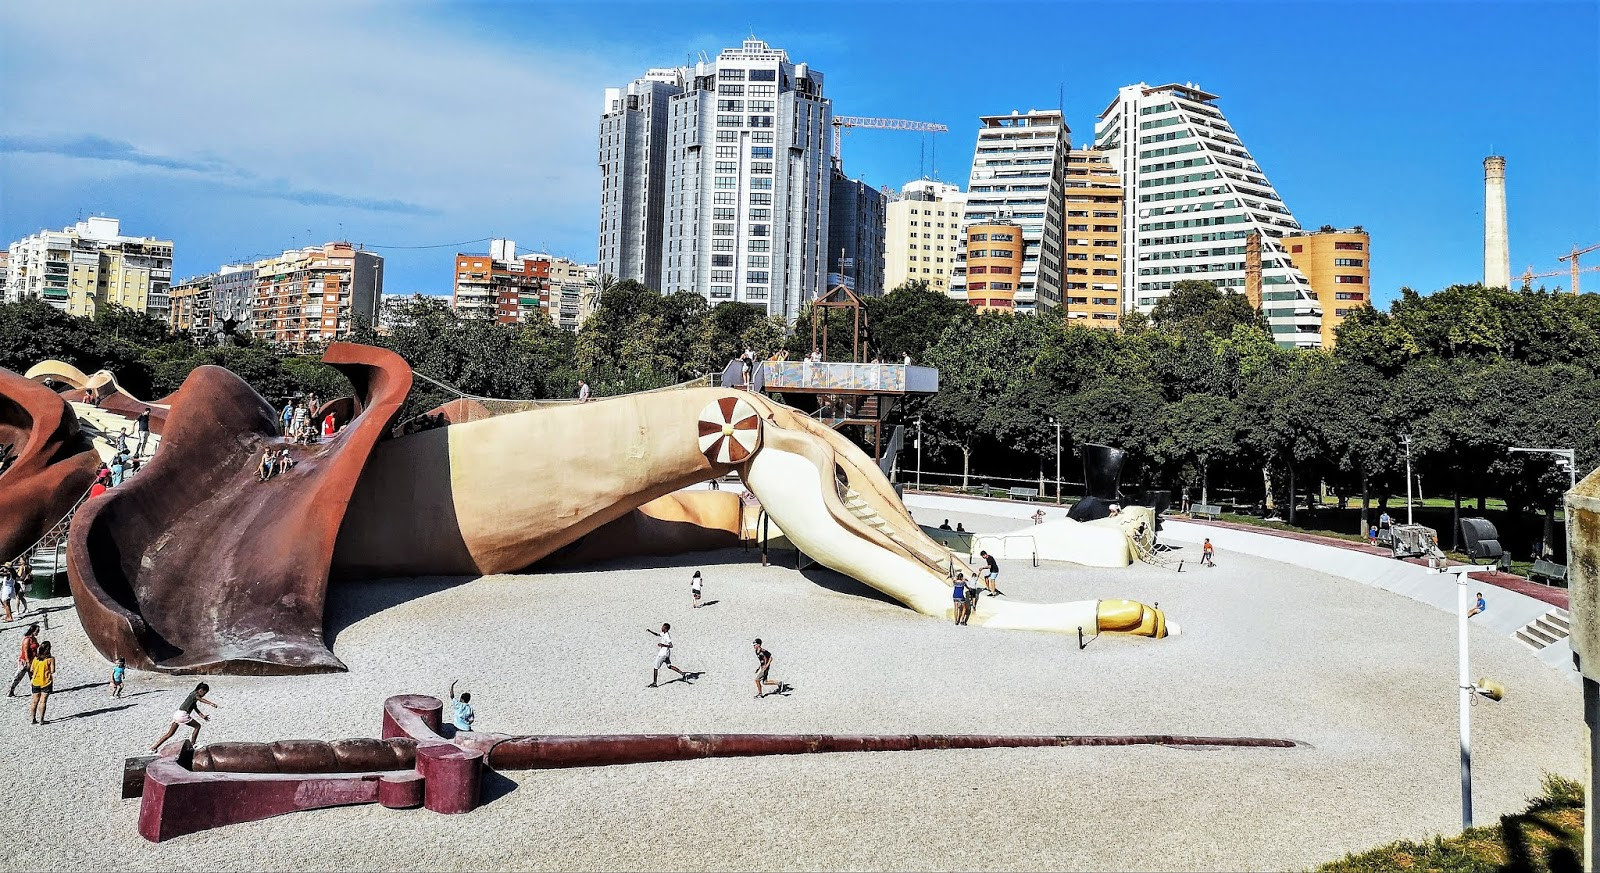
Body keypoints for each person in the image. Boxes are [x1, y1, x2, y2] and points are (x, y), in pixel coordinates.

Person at [150, 682, 220, 750]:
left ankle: (154, 747)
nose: (204, 695)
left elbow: (195, 708)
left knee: (169, 734)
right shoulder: (195, 694)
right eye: (204, 693)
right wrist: (211, 703)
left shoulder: (192, 696)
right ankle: (193, 744)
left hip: (177, 714)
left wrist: (202, 716)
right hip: (182, 715)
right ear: (200, 690)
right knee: (197, 726)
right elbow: (201, 700)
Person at [646, 623, 689, 687]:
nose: (661, 628)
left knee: (655, 667)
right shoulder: (664, 633)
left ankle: (654, 683)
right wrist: (650, 631)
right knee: (669, 666)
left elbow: (671, 645)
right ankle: (682, 674)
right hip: (667, 654)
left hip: (663, 654)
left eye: (663, 627)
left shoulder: (667, 636)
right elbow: (657, 634)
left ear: (666, 629)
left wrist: (662, 645)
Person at [8, 624, 39, 697]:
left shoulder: (34, 639)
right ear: (33, 631)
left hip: (33, 660)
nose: (38, 632)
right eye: (37, 631)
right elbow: (25, 651)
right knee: (18, 676)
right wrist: (28, 662)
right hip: (24, 661)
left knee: (33, 676)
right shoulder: (27, 640)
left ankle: (34, 691)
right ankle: (11, 690)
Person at [28, 641, 54, 725]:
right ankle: (41, 720)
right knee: (43, 701)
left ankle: (33, 719)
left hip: (35, 681)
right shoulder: (50, 659)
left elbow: (31, 669)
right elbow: (52, 671)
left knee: (34, 701)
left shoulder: (36, 658)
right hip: (46, 682)